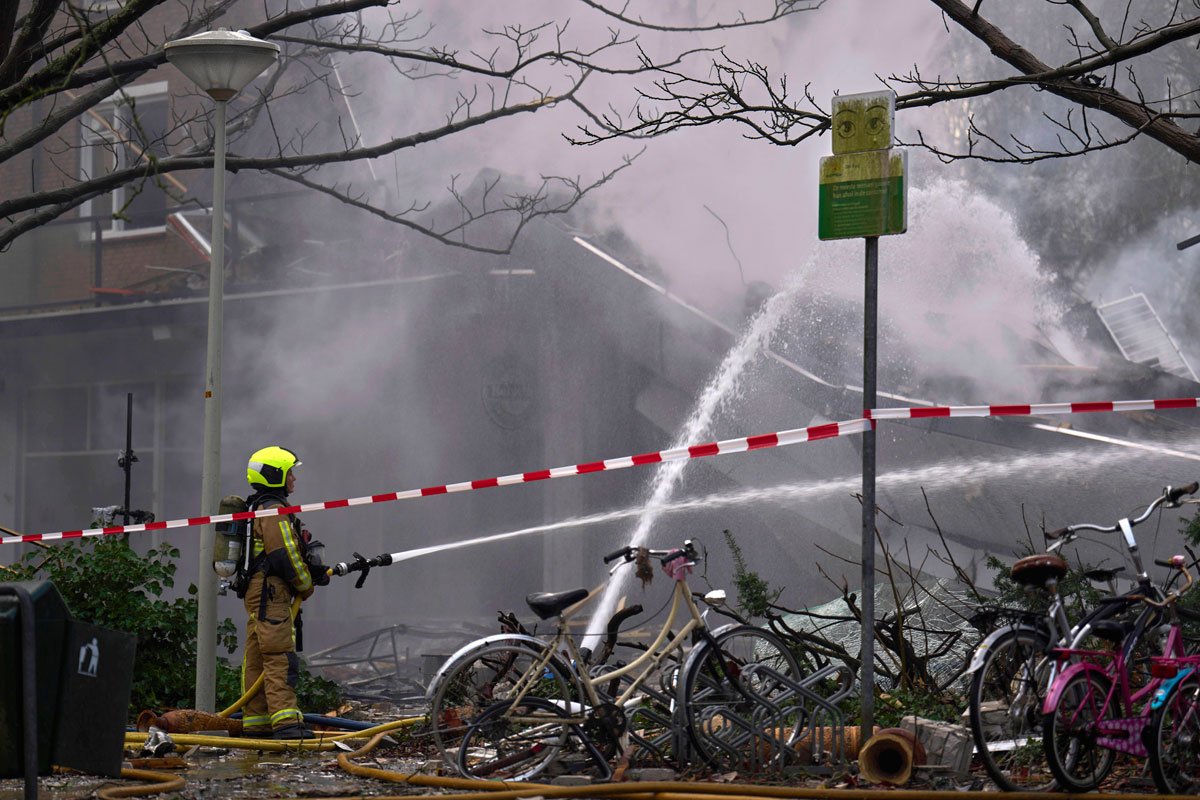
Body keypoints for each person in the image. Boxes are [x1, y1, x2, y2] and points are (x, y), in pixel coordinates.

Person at [240, 445, 324, 739]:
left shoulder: (256, 508)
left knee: (257, 655)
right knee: (278, 656)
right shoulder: (275, 511)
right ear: (275, 475)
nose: (294, 480)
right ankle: (286, 723)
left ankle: (257, 721)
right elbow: (284, 555)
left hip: (258, 592)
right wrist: (306, 584)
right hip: (271, 591)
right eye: (290, 473)